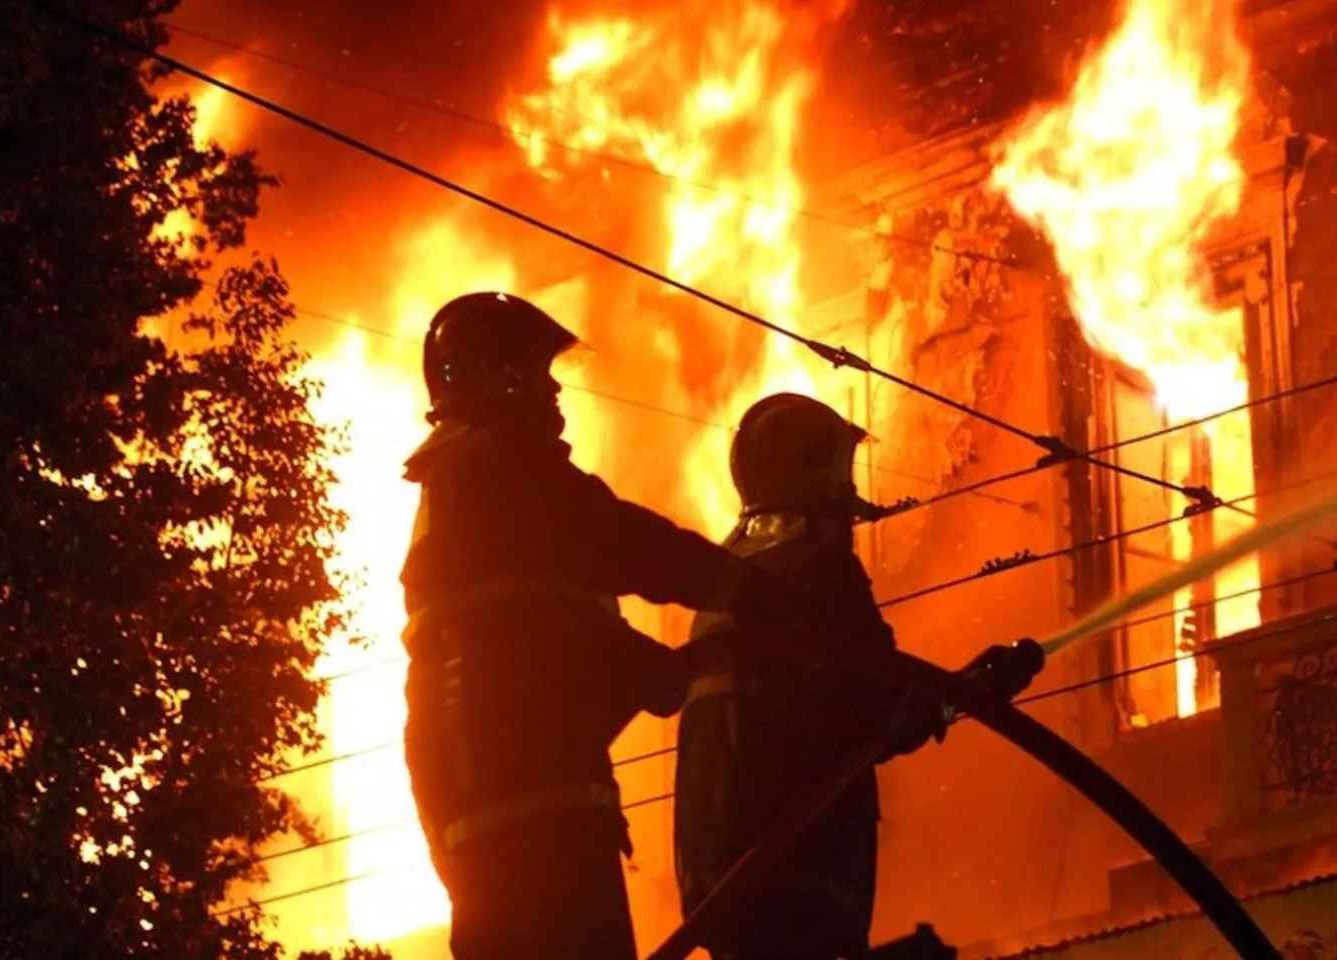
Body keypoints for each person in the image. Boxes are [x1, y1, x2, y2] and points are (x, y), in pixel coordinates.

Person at [399, 292, 798, 959]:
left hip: (490, 810)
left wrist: (660, 669)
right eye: (537, 371)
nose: (553, 389)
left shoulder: (462, 488)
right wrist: (750, 591)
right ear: (497, 377)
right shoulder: (500, 465)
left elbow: (538, 635)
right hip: (540, 811)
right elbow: (621, 542)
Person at [672, 392, 950, 960]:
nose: (848, 495)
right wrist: (948, 700)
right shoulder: (820, 566)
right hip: (804, 867)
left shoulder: (729, 574)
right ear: (814, 468)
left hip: (721, 881)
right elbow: (874, 704)